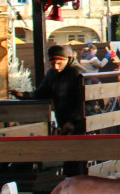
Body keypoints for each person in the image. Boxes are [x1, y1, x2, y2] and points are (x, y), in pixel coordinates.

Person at [33, 44, 87, 176]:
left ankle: (74, 182)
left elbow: (84, 103)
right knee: (69, 153)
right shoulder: (52, 74)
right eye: (53, 64)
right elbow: (42, 92)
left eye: (58, 63)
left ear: (66, 59)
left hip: (80, 121)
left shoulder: (78, 73)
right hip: (64, 120)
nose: (56, 67)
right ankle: (70, 181)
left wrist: (73, 122)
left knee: (75, 154)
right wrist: (24, 95)